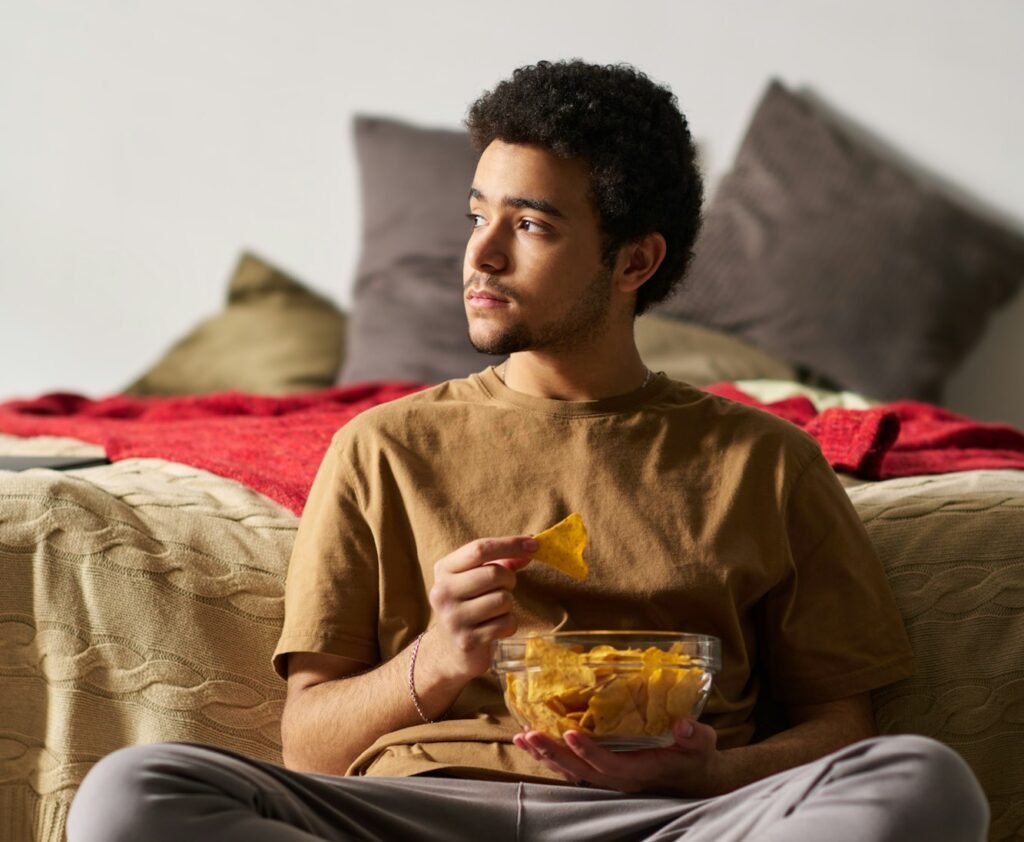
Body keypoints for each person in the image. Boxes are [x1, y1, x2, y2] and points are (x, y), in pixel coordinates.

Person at [67, 59, 988, 842]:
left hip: (667, 819)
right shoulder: (381, 448)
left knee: (920, 781)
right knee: (132, 795)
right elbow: (310, 745)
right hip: (414, 813)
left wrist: (704, 777)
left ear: (634, 263)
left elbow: (842, 725)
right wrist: (438, 658)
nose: (481, 256)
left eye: (532, 226)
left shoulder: (768, 461)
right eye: (479, 215)